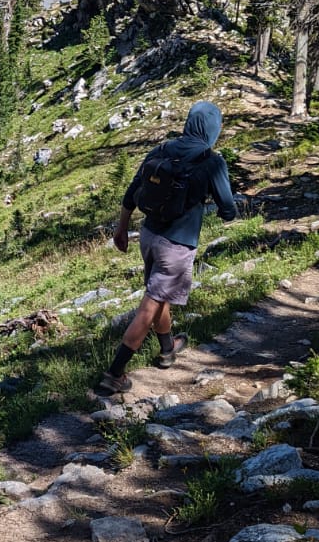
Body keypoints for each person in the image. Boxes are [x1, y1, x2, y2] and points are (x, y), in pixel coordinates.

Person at [98, 100, 239, 394]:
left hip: (148, 236)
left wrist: (122, 229)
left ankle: (167, 349)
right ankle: (115, 372)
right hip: (176, 245)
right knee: (150, 304)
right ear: (213, 129)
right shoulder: (212, 161)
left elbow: (132, 192)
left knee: (159, 295)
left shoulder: (162, 150)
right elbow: (228, 209)